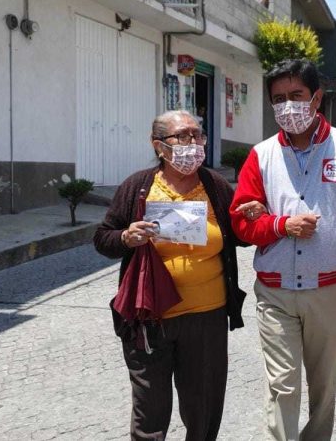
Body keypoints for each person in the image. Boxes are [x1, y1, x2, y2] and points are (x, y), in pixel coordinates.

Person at [230, 59, 336, 440]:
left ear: (316, 98)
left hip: (329, 290)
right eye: (279, 99)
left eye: (296, 96)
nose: (288, 106)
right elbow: (241, 221)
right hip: (275, 291)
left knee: (324, 386)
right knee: (282, 384)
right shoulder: (261, 156)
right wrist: (278, 225)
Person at [94, 110, 259, 440]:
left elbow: (240, 236)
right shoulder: (138, 187)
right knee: (150, 413)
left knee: (203, 409)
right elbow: (103, 238)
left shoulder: (215, 186)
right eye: (183, 137)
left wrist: (253, 217)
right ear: (159, 146)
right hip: (149, 317)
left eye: (199, 136)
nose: (194, 144)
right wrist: (126, 237)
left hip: (206, 319)